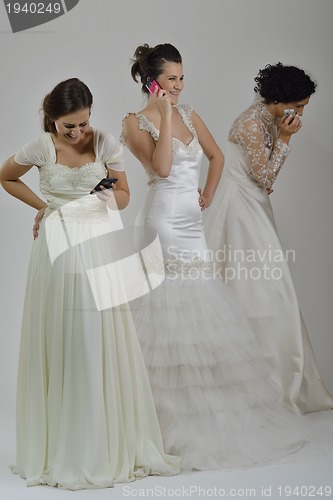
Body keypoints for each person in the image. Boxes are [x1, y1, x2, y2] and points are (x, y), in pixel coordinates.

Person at [121, 44, 311, 472]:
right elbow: (165, 169)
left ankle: (210, 409)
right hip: (161, 222)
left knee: (201, 302)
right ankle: (163, 418)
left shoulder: (192, 113)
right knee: (169, 305)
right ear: (151, 81)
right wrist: (166, 117)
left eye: (182, 78)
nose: (179, 86)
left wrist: (207, 192)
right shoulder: (135, 123)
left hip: (190, 221)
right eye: (171, 79)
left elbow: (217, 155)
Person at [0, 78, 181, 490]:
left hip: (96, 247)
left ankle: (101, 441)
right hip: (56, 250)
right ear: (53, 120)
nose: (79, 133)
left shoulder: (105, 144)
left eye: (83, 123)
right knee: (64, 338)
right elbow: (6, 177)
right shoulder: (40, 147)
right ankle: (64, 446)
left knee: (94, 338)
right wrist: (45, 208)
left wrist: (103, 198)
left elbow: (125, 196)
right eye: (70, 127)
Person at [203, 63, 333, 413]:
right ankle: (256, 384)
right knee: (260, 288)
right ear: (282, 100)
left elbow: (263, 179)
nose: (302, 112)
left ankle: (279, 374)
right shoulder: (250, 122)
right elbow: (264, 176)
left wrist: (281, 139)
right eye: (300, 105)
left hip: (253, 204)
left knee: (270, 289)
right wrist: (287, 139)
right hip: (242, 210)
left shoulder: (269, 117)